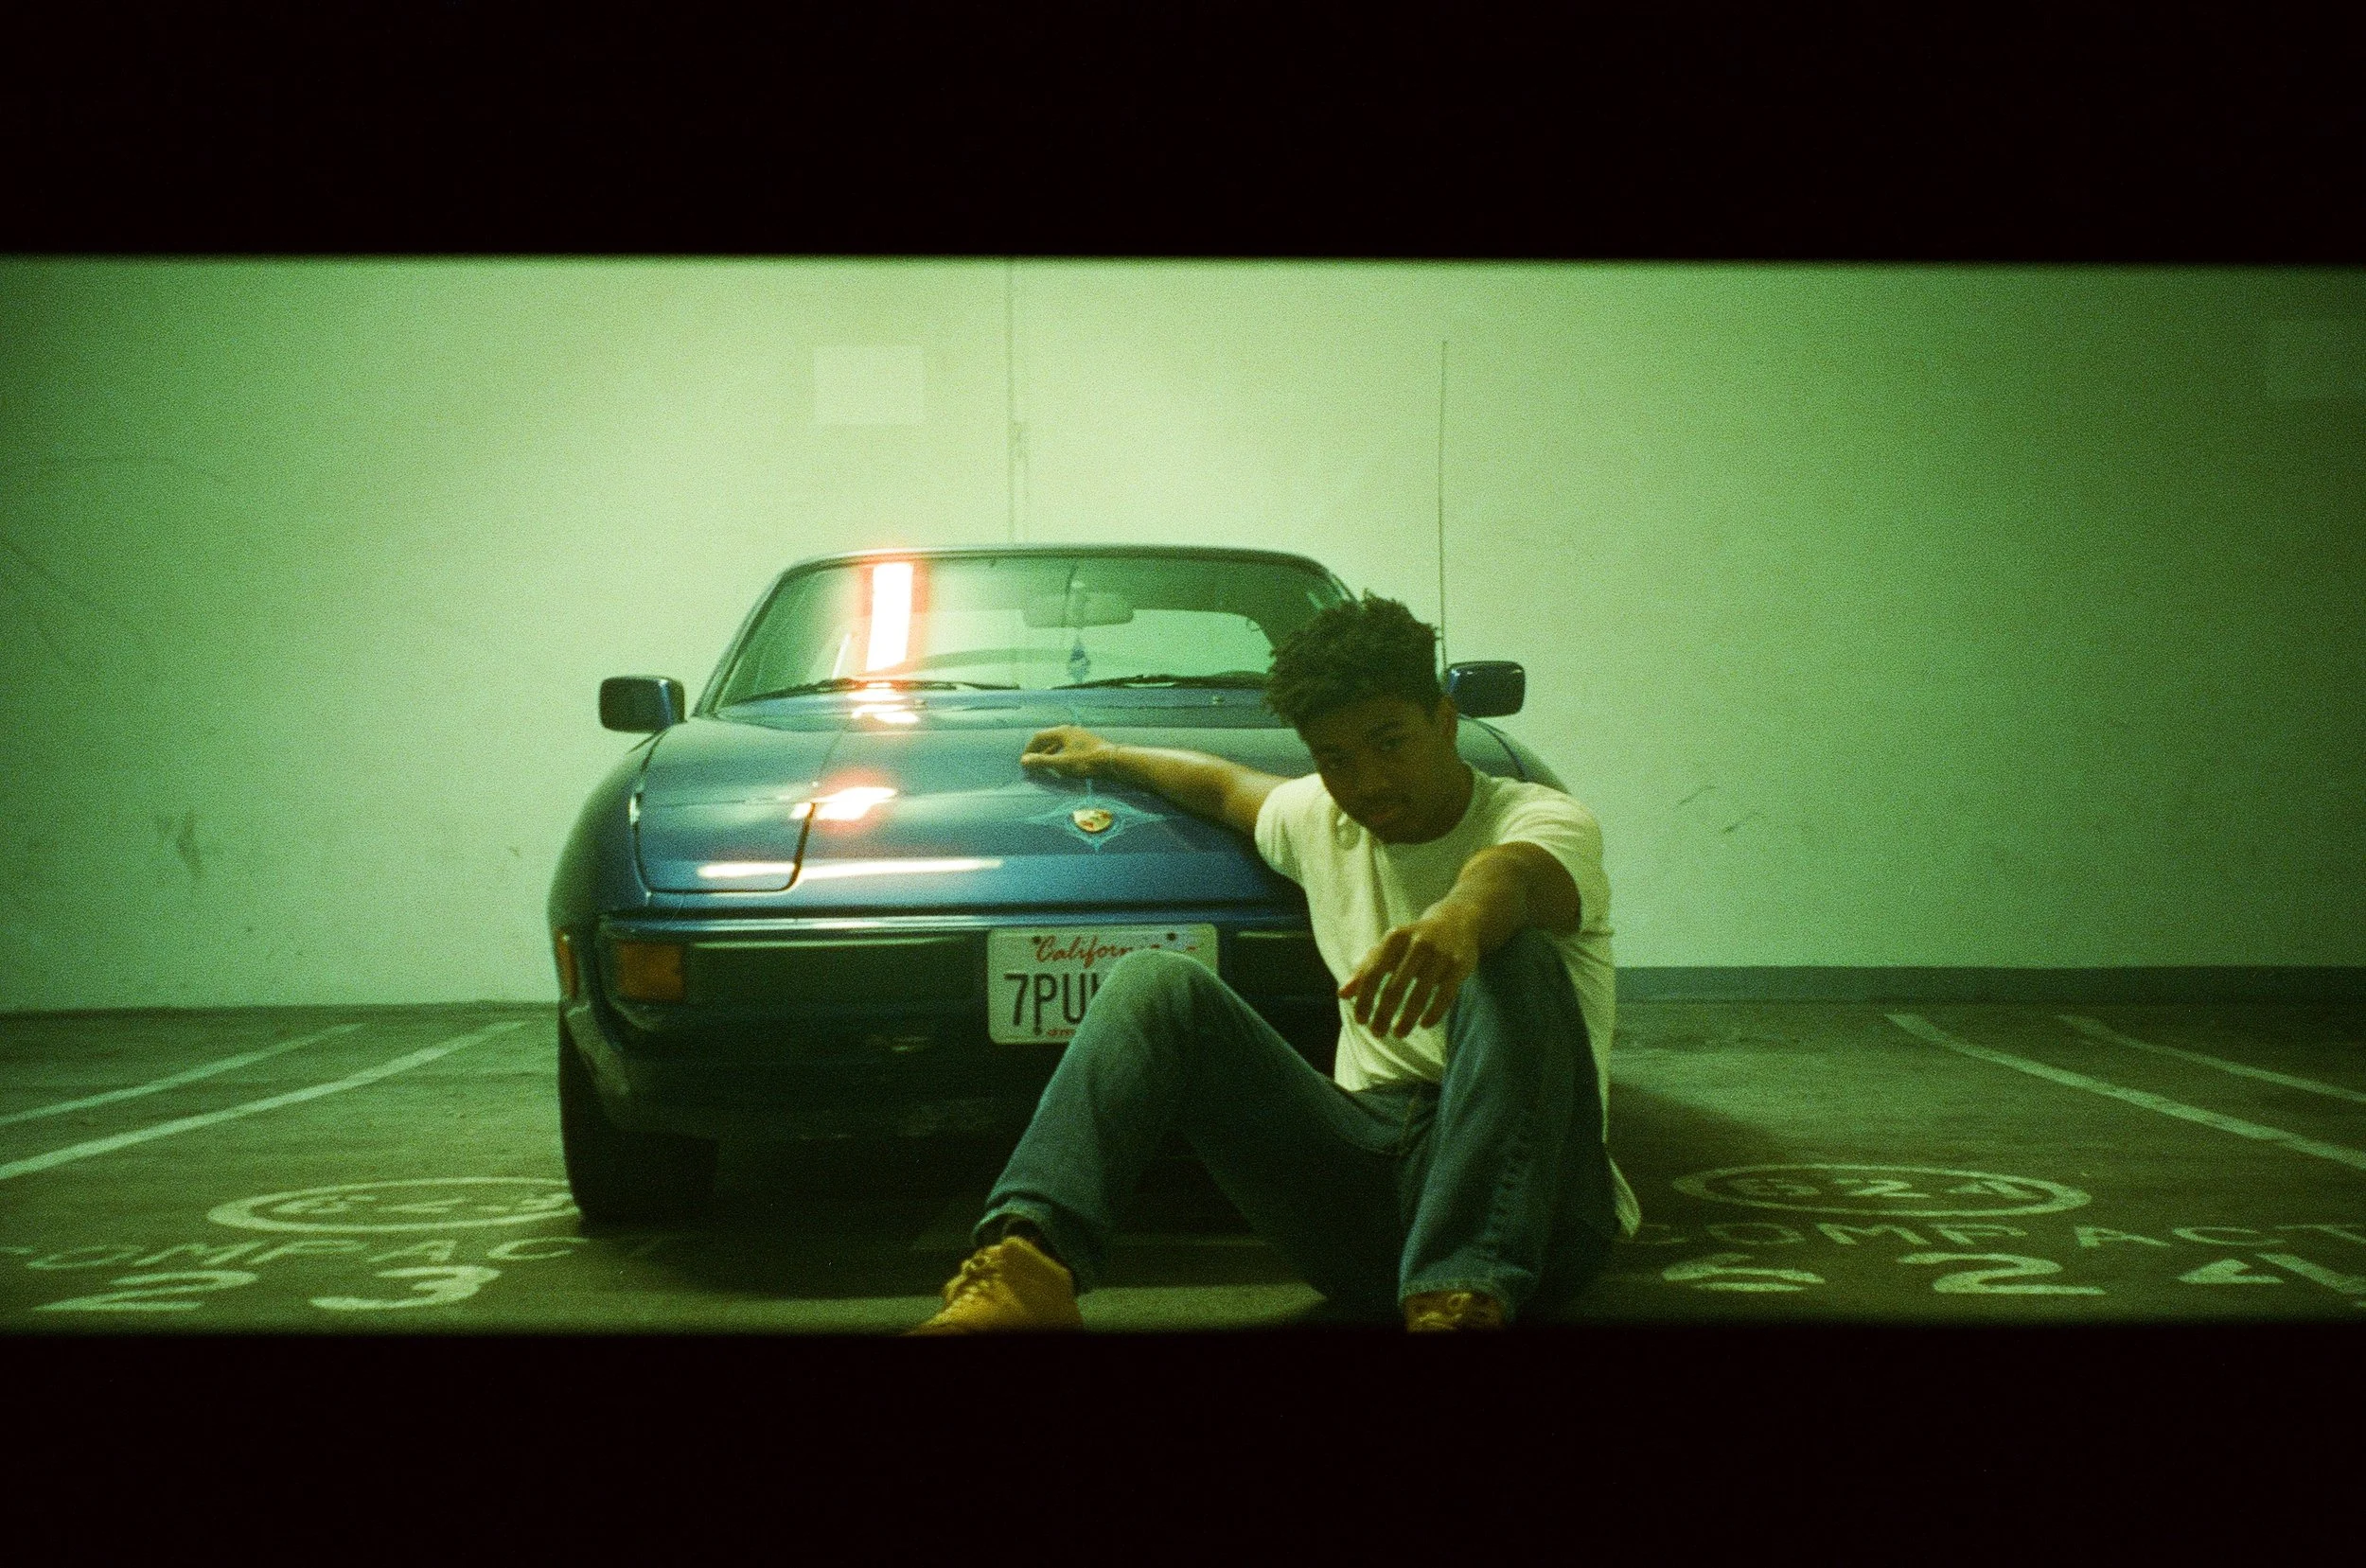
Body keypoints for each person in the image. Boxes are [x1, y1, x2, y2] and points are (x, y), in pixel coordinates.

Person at [908, 592, 1639, 1333]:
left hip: (1538, 1211)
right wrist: (1107, 756)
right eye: (1336, 759)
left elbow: (1512, 875)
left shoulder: (1540, 817)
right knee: (1155, 982)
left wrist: (1458, 919)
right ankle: (1027, 1274)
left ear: (1444, 722)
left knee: (1513, 950)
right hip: (1373, 1204)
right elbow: (1224, 786)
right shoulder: (1324, 817)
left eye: (1391, 743)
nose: (1368, 783)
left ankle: (1460, 1294)